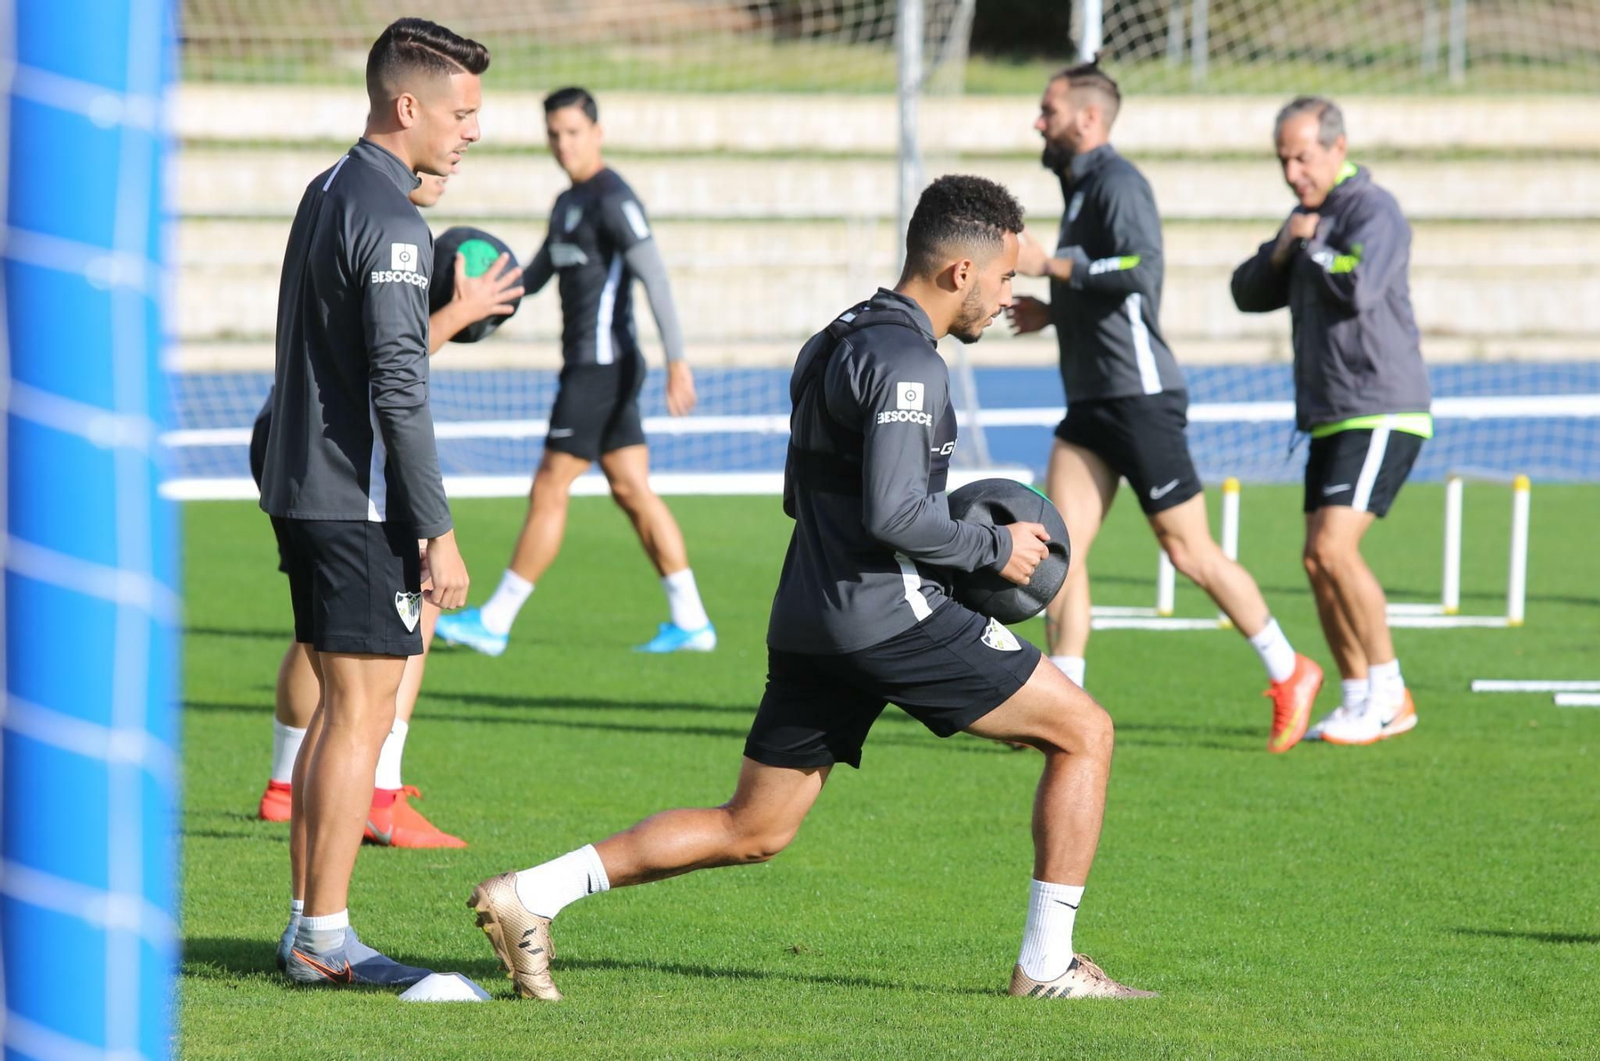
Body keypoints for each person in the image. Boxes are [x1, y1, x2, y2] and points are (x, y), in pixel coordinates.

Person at [465, 174, 1154, 1003]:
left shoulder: (835, 337)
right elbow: (897, 514)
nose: (1012, 294)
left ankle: (532, 893)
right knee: (1085, 731)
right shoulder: (911, 365)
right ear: (961, 272)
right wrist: (992, 546)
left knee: (752, 827)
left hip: (809, 615)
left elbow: (805, 496)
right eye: (1007, 277)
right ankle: (1046, 967)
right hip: (889, 617)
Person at [258, 17, 485, 987]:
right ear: (408, 105)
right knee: (362, 710)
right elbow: (399, 384)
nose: (472, 130)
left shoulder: (331, 187)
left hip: (302, 484)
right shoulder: (391, 221)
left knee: (338, 710)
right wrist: (437, 528)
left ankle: (309, 923)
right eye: (461, 113)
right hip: (349, 497)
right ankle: (324, 936)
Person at [1007, 61, 1323, 753]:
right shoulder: (1080, 186)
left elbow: (1139, 271)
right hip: (1090, 402)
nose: (1038, 121)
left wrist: (1049, 266)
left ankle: (1290, 669)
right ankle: (1063, 702)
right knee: (1060, 552)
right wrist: (1052, 310)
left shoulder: (1118, 182)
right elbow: (1099, 288)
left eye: (1048, 110)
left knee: (1189, 552)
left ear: (1088, 118)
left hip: (1140, 398)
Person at [253, 169, 523, 848]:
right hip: (342, 462)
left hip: (287, 435)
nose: (455, 159)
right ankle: (380, 794)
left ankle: (285, 786)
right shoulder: (392, 227)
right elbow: (392, 371)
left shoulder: (331, 195)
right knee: (418, 605)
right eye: (455, 128)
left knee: (320, 629)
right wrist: (460, 312)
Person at [433, 86, 712, 657]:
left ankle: (496, 621)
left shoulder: (614, 199)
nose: (563, 144)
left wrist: (677, 361)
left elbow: (655, 278)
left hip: (600, 370)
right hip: (594, 368)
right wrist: (475, 289)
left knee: (550, 485)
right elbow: (533, 277)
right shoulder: (567, 204)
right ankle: (692, 621)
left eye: (573, 132)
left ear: (597, 133)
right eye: (554, 134)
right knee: (632, 490)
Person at [1231, 96, 1429, 746]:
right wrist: (1285, 247)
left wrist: (1310, 245)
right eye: (1283, 160)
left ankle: (1391, 694)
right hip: (1329, 414)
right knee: (1316, 561)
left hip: (1381, 406)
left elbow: (1358, 285)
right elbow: (1246, 291)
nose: (1293, 172)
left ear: (1337, 148)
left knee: (1334, 549)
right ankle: (1356, 696)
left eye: (1303, 157)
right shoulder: (1306, 219)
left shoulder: (1372, 209)